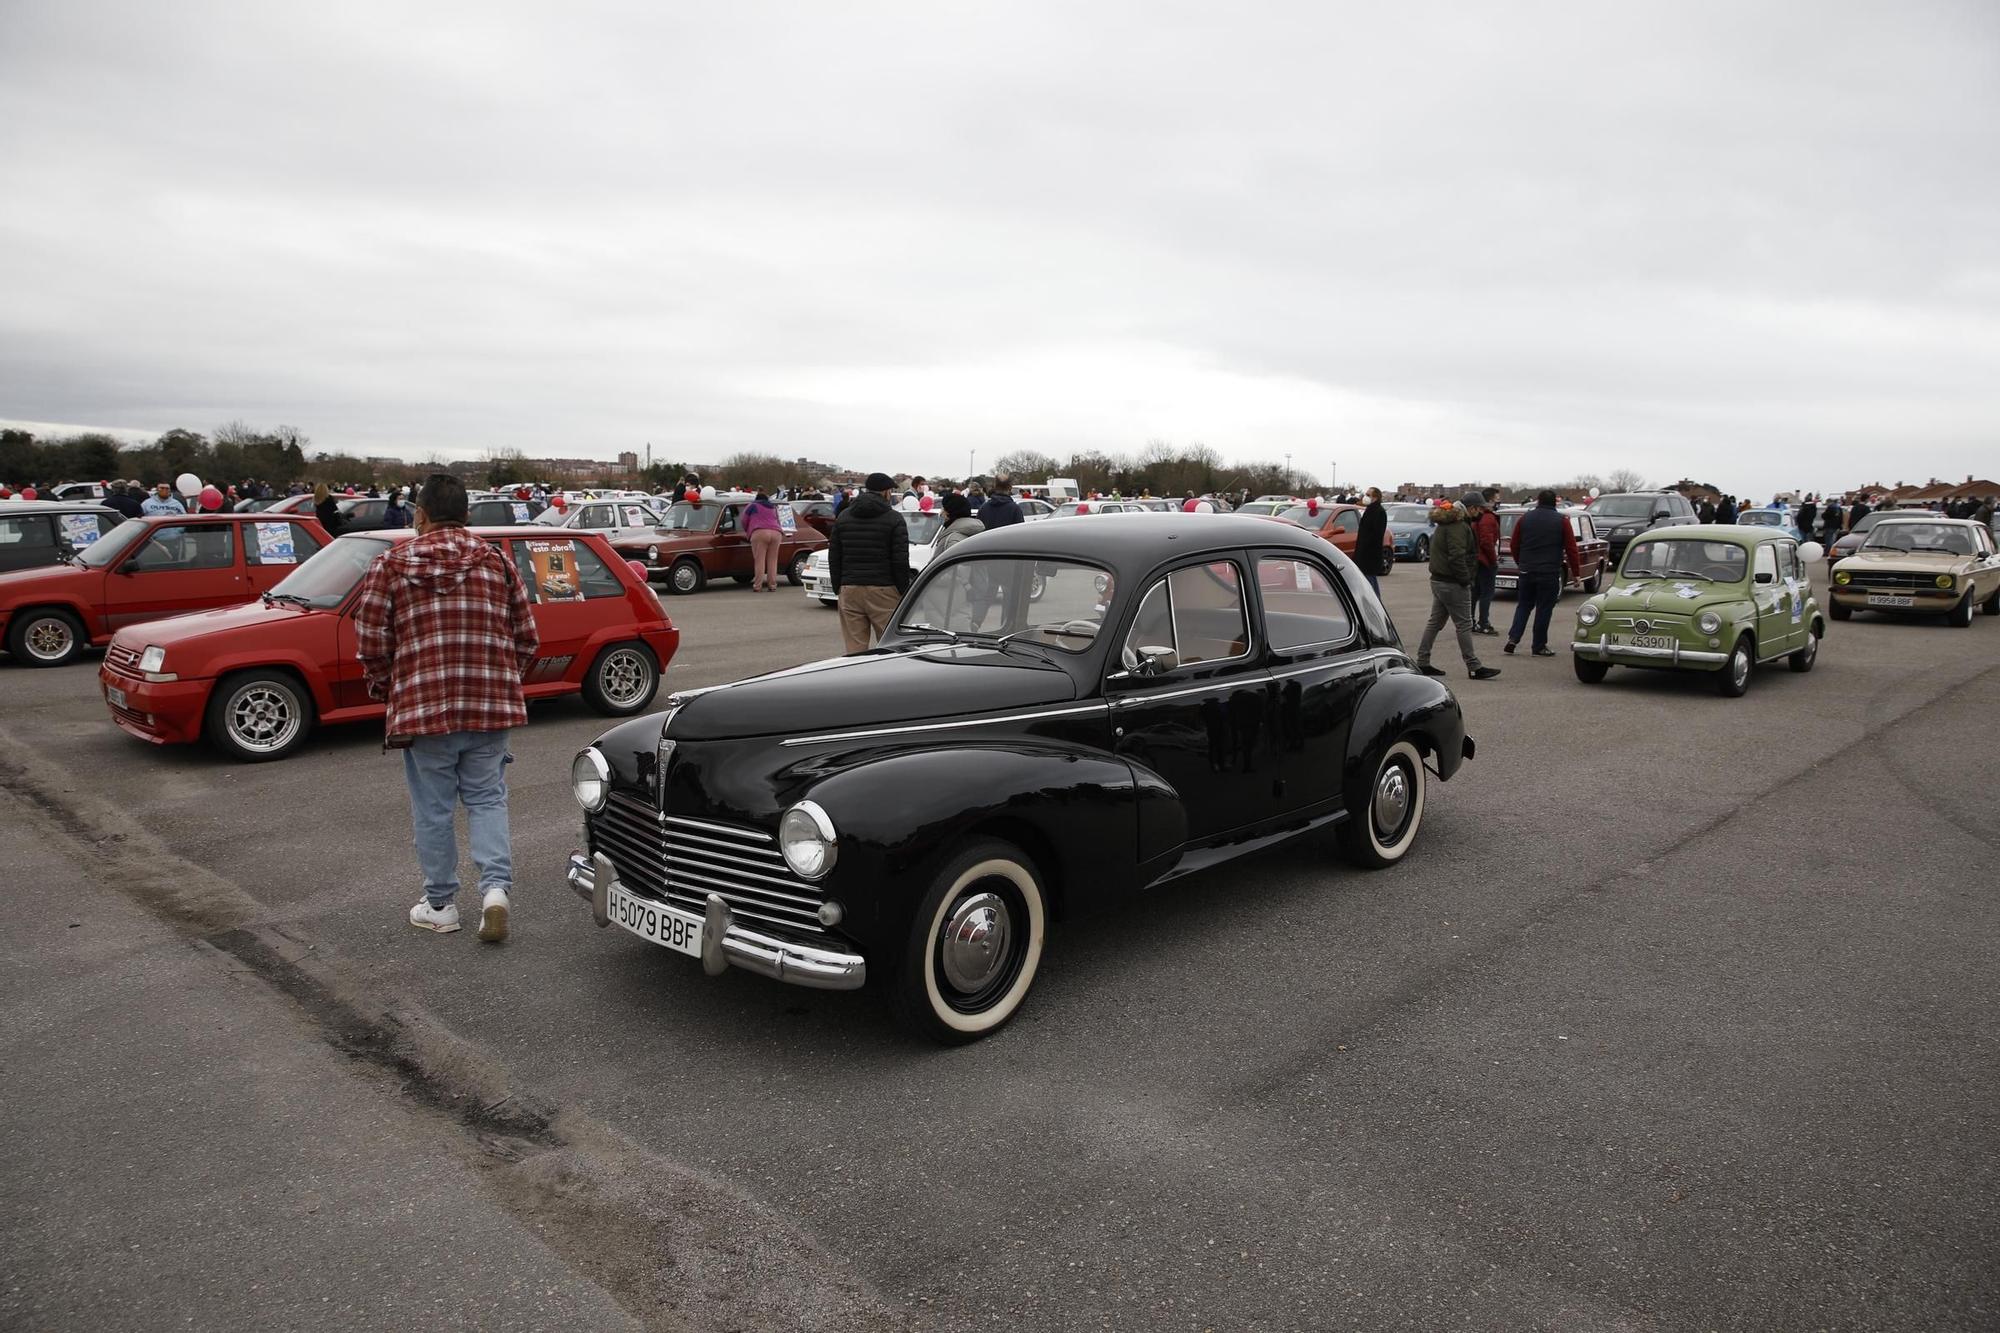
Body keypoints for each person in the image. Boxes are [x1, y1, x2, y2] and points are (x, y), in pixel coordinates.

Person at [353, 473, 538, 943]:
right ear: (468, 514)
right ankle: (495, 891)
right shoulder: (496, 562)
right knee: (487, 799)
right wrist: (501, 677)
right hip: (490, 705)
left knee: (432, 810)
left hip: (424, 707)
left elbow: (371, 642)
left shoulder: (390, 566)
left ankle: (440, 904)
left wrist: (390, 688)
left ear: (420, 514)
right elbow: (526, 636)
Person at [1415, 495, 1500, 681]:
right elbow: (1457, 556)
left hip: (1439, 580)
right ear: (1471, 508)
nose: (1482, 512)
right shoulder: (1458, 525)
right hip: (1452, 582)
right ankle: (1474, 666)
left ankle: (1422, 661)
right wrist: (1466, 579)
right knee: (1464, 624)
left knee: (1435, 622)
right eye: (1480, 509)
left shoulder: (1449, 521)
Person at [828, 472, 910, 654]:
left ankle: (857, 680)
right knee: (890, 646)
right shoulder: (894, 519)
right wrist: (903, 590)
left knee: (854, 649)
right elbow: (900, 560)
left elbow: (834, 556)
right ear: (887, 492)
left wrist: (839, 587)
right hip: (883, 588)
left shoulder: (843, 516)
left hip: (850, 587)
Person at [1505, 489, 1582, 658]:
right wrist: (1576, 573)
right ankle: (1538, 645)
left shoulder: (1525, 519)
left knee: (1524, 605)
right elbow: (1571, 548)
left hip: (1527, 569)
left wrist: (1521, 562)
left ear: (1538, 501)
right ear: (1555, 502)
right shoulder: (1562, 521)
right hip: (1549, 571)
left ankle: (1513, 638)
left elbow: (1514, 544)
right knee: (1544, 608)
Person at [1470, 490, 1502, 634]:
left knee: (1475, 592)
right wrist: (1493, 561)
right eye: (1496, 499)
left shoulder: (1478, 517)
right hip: (1485, 560)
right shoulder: (1488, 518)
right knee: (1486, 593)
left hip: (1476, 559)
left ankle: (1470, 621)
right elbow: (1486, 541)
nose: (1498, 502)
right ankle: (1484, 623)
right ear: (1488, 501)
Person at [743, 488, 784, 591]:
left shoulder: (752, 505)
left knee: (759, 560)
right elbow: (778, 520)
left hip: (759, 532)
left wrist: (748, 530)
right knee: (773, 560)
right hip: (776, 533)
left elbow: (744, 520)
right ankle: (772, 585)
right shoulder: (773, 507)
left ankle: (758, 586)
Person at [1355, 487, 1388, 599]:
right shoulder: (1369, 510)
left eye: (1368, 495)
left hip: (1370, 554)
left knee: (1370, 580)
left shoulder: (1379, 512)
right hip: (1363, 552)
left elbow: (1376, 534)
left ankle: (1376, 604)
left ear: (1375, 497)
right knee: (1367, 580)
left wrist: (1366, 548)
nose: (1366, 497)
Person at [933, 491, 985, 556]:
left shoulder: (952, 540)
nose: (941, 512)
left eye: (943, 508)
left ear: (949, 513)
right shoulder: (967, 533)